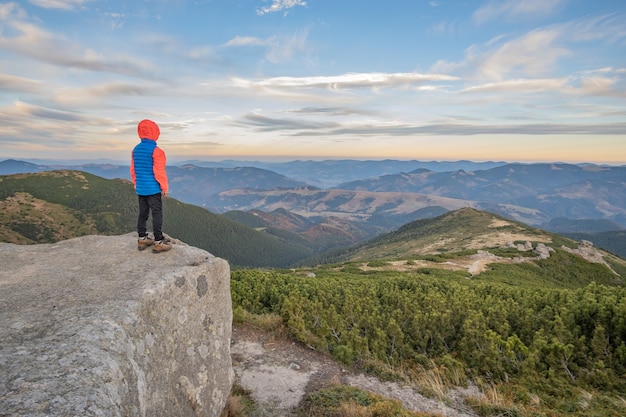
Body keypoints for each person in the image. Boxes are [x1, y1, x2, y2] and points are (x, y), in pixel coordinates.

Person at [130, 119, 172, 253]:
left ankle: (142, 239)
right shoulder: (157, 151)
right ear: (155, 133)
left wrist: (136, 183)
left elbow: (133, 169)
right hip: (153, 189)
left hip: (141, 188)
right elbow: (159, 171)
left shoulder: (135, 150)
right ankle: (158, 241)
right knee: (157, 213)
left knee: (143, 213)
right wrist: (164, 187)